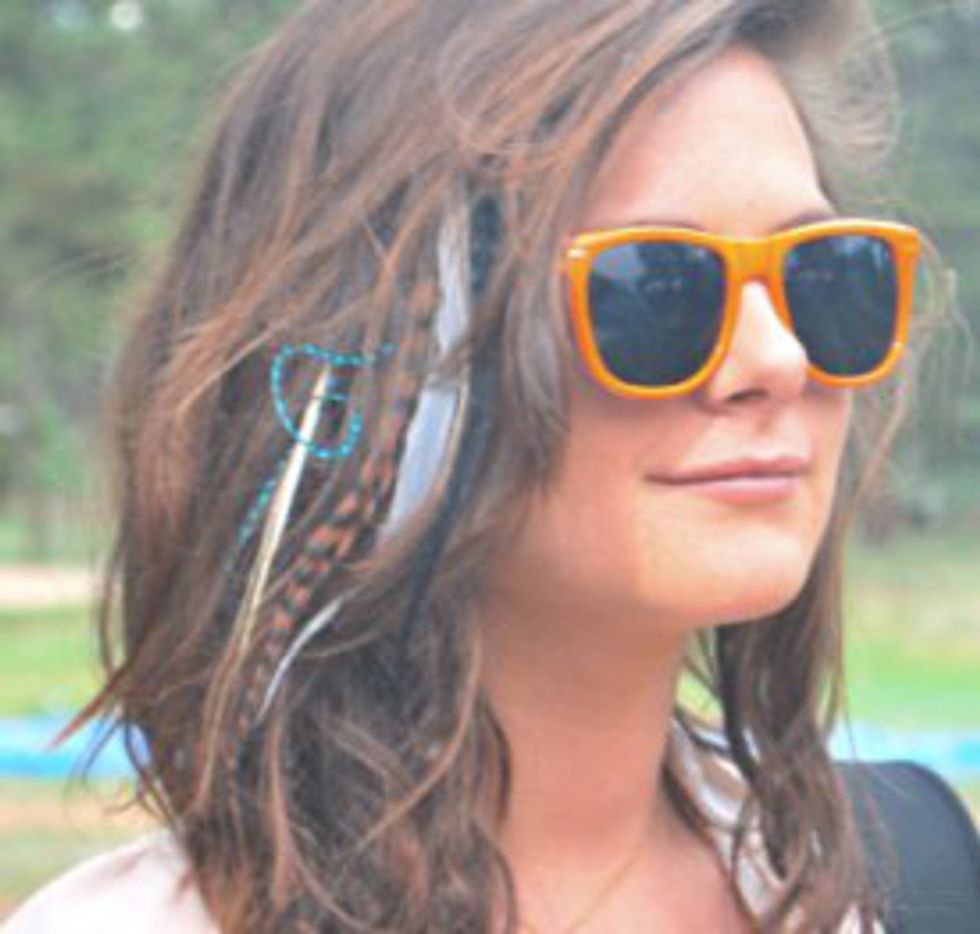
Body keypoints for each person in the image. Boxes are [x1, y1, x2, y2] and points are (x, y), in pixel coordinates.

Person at [7, 1, 973, 932]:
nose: (779, 358)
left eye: (823, 275)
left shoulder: (911, 878)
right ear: (382, 364)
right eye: (655, 287)